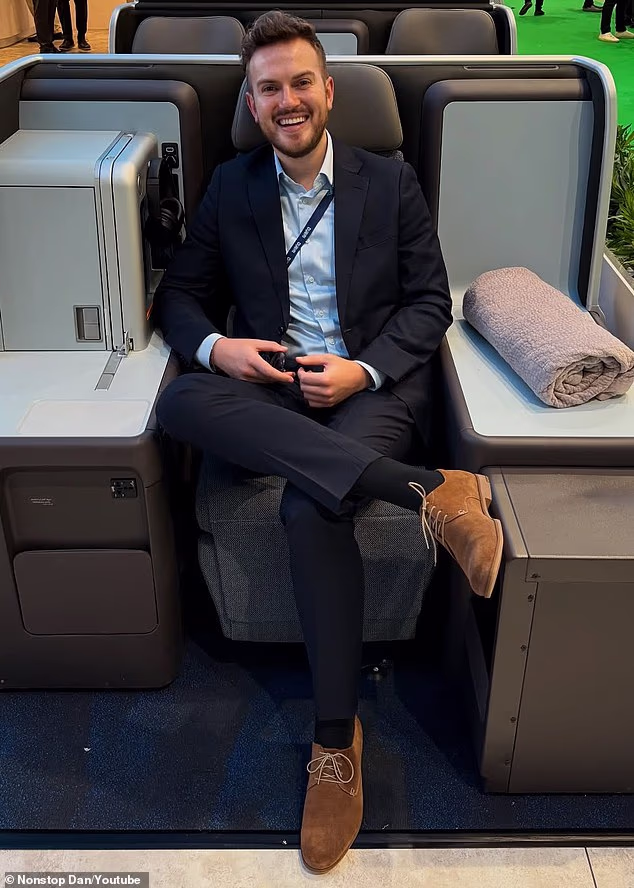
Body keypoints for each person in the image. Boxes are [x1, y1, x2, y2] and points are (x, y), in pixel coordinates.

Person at [153, 10, 503, 875]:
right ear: (252, 103)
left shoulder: (390, 181)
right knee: (182, 399)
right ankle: (426, 490)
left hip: (365, 391)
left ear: (329, 90)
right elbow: (181, 298)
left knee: (313, 510)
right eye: (269, 88)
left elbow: (430, 302)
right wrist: (221, 348)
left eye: (300, 82)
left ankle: (334, 742)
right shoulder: (232, 186)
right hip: (269, 391)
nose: (288, 100)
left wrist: (363, 371)